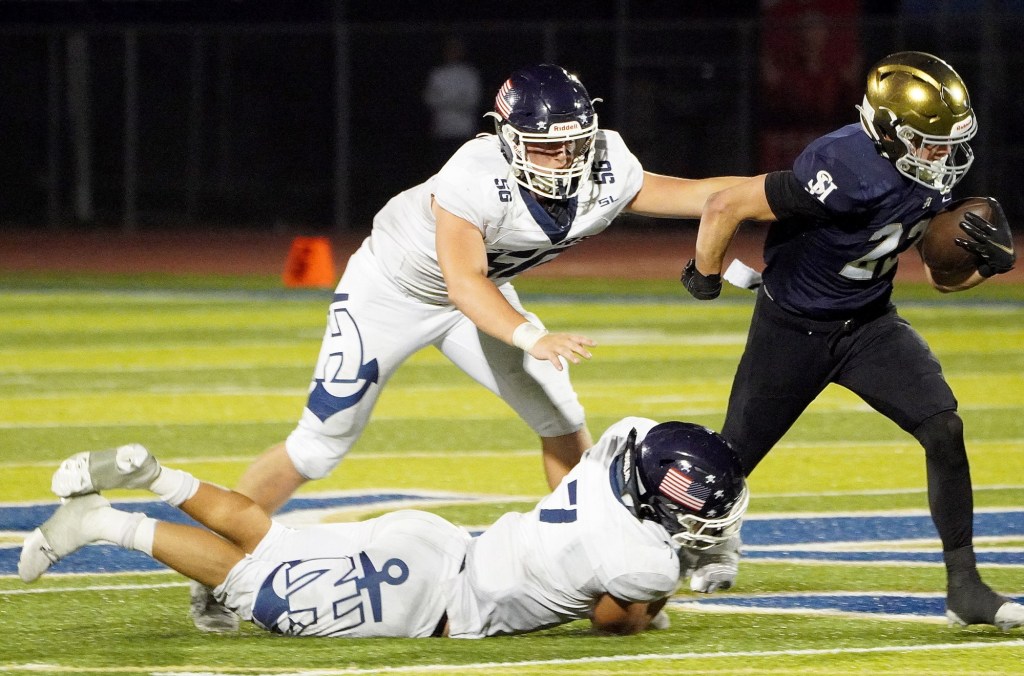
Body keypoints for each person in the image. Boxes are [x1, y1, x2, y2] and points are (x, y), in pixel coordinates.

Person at [182, 63, 748, 632]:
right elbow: (464, 283)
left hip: (479, 296)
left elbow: (702, 195)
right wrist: (532, 335)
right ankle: (213, 571)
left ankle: (590, 552)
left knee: (559, 415)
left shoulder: (605, 162)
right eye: (548, 148)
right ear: (508, 138)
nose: (567, 159)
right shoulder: (473, 174)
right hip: (393, 292)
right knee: (318, 445)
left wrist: (800, 188)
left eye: (575, 144)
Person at [680, 51, 1023, 631]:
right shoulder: (844, 165)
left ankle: (965, 585)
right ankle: (692, 547)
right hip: (793, 329)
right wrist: (703, 274)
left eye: (947, 144)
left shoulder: (924, 172)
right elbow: (726, 204)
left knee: (944, 426)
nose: (943, 158)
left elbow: (941, 280)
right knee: (724, 467)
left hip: (868, 324)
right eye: (929, 143)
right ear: (888, 133)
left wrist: (986, 267)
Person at [19, 417, 749, 639]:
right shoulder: (644, 559)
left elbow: (647, 441)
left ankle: (155, 476)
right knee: (258, 586)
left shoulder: (620, 445)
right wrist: (663, 594)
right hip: (431, 598)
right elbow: (613, 624)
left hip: (439, 540)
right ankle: (103, 520)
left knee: (269, 538)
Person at [422, 37, 483, 171]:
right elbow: (430, 99)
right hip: (442, 130)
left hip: (464, 130)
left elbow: (472, 101)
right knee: (441, 169)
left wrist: (446, 99)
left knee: (463, 169)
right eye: (450, 49)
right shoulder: (437, 74)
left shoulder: (469, 74)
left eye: (457, 49)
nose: (453, 53)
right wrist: (456, 100)